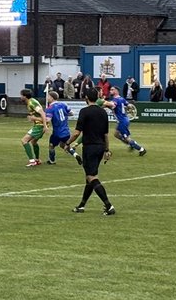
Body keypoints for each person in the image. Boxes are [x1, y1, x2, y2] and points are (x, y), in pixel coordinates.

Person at [70, 87, 116, 216]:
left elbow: (77, 133)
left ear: (86, 98)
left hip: (89, 148)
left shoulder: (84, 111)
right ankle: (81, 206)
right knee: (89, 178)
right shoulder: (103, 112)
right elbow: (106, 134)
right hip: (100, 147)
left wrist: (68, 144)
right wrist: (107, 149)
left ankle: (109, 206)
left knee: (92, 177)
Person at [107, 87, 146, 156]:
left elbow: (112, 105)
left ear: (116, 91)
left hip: (122, 121)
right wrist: (129, 108)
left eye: (112, 90)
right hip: (125, 119)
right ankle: (131, 144)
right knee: (116, 134)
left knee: (127, 138)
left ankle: (141, 149)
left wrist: (105, 105)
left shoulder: (115, 100)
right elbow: (129, 105)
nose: (110, 91)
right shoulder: (122, 98)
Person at [44, 91, 79, 165]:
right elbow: (72, 113)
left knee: (51, 146)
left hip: (57, 133)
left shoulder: (50, 108)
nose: (47, 98)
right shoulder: (63, 104)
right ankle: (76, 155)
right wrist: (64, 114)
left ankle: (52, 161)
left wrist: (38, 118)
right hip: (66, 131)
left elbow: (48, 120)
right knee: (64, 145)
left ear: (52, 98)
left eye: (48, 96)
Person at [20, 88, 46, 167]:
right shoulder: (31, 102)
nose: (20, 97)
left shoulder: (32, 103)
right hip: (38, 125)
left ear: (25, 96)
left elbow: (42, 113)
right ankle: (37, 160)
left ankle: (32, 161)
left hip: (39, 126)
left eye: (21, 95)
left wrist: (44, 125)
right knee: (34, 142)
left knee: (24, 140)